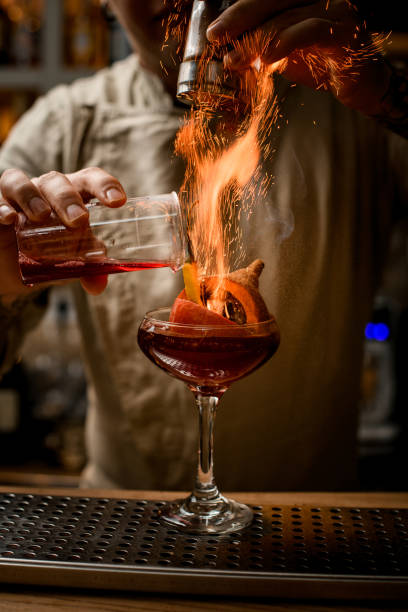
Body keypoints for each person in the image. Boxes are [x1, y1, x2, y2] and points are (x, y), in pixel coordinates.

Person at [0, 0, 407, 491]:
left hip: (308, 532)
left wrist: (391, 94)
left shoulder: (353, 105)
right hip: (128, 526)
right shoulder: (63, 124)